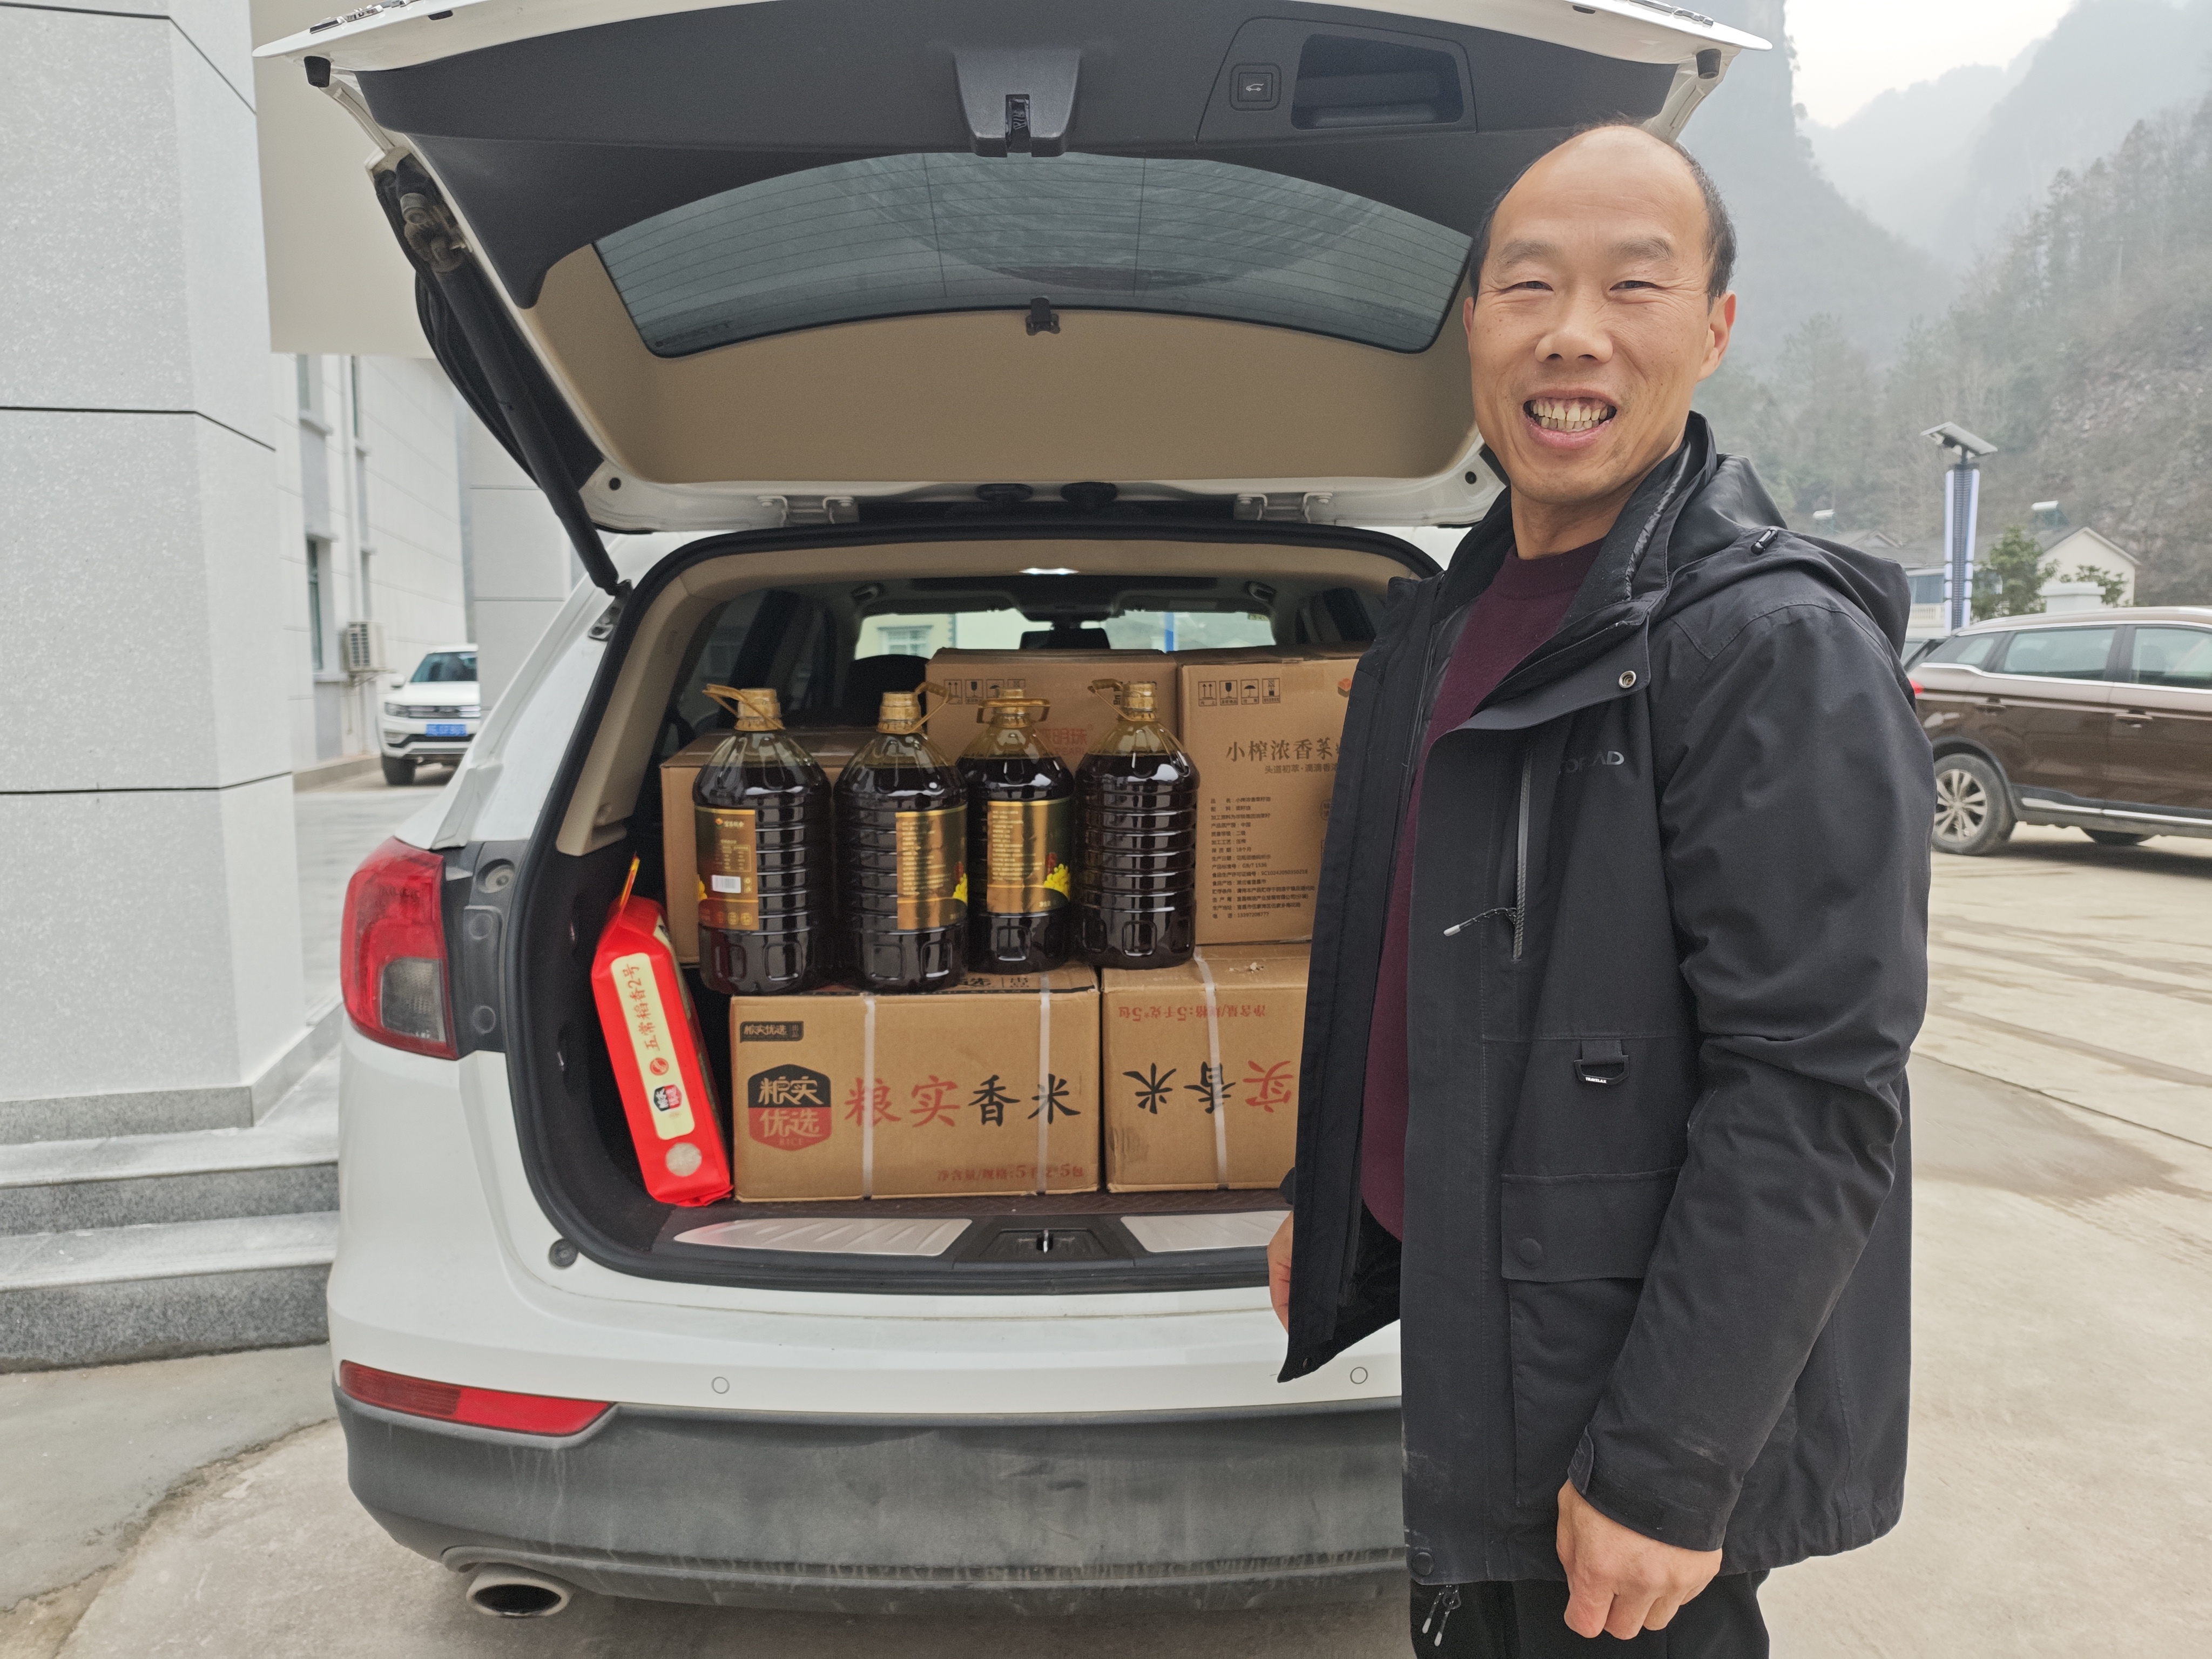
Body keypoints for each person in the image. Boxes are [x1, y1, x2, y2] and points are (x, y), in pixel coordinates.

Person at [1268, 122, 1931, 1656]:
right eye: (1528, 287)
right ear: (1475, 329)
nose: (1572, 333)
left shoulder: (1771, 649)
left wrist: (1669, 1468)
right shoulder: (1439, 626)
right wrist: (1336, 1199)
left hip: (1632, 1388)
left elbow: (1814, 1087)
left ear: (1714, 328)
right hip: (1488, 1317)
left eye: (1633, 285)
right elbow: (1397, 957)